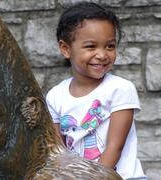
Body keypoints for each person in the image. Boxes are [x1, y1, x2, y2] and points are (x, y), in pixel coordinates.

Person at [46, 2, 147, 180]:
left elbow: (114, 147)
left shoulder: (120, 89)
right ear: (66, 49)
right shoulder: (55, 96)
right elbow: (58, 152)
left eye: (110, 46)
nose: (102, 54)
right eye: (91, 46)